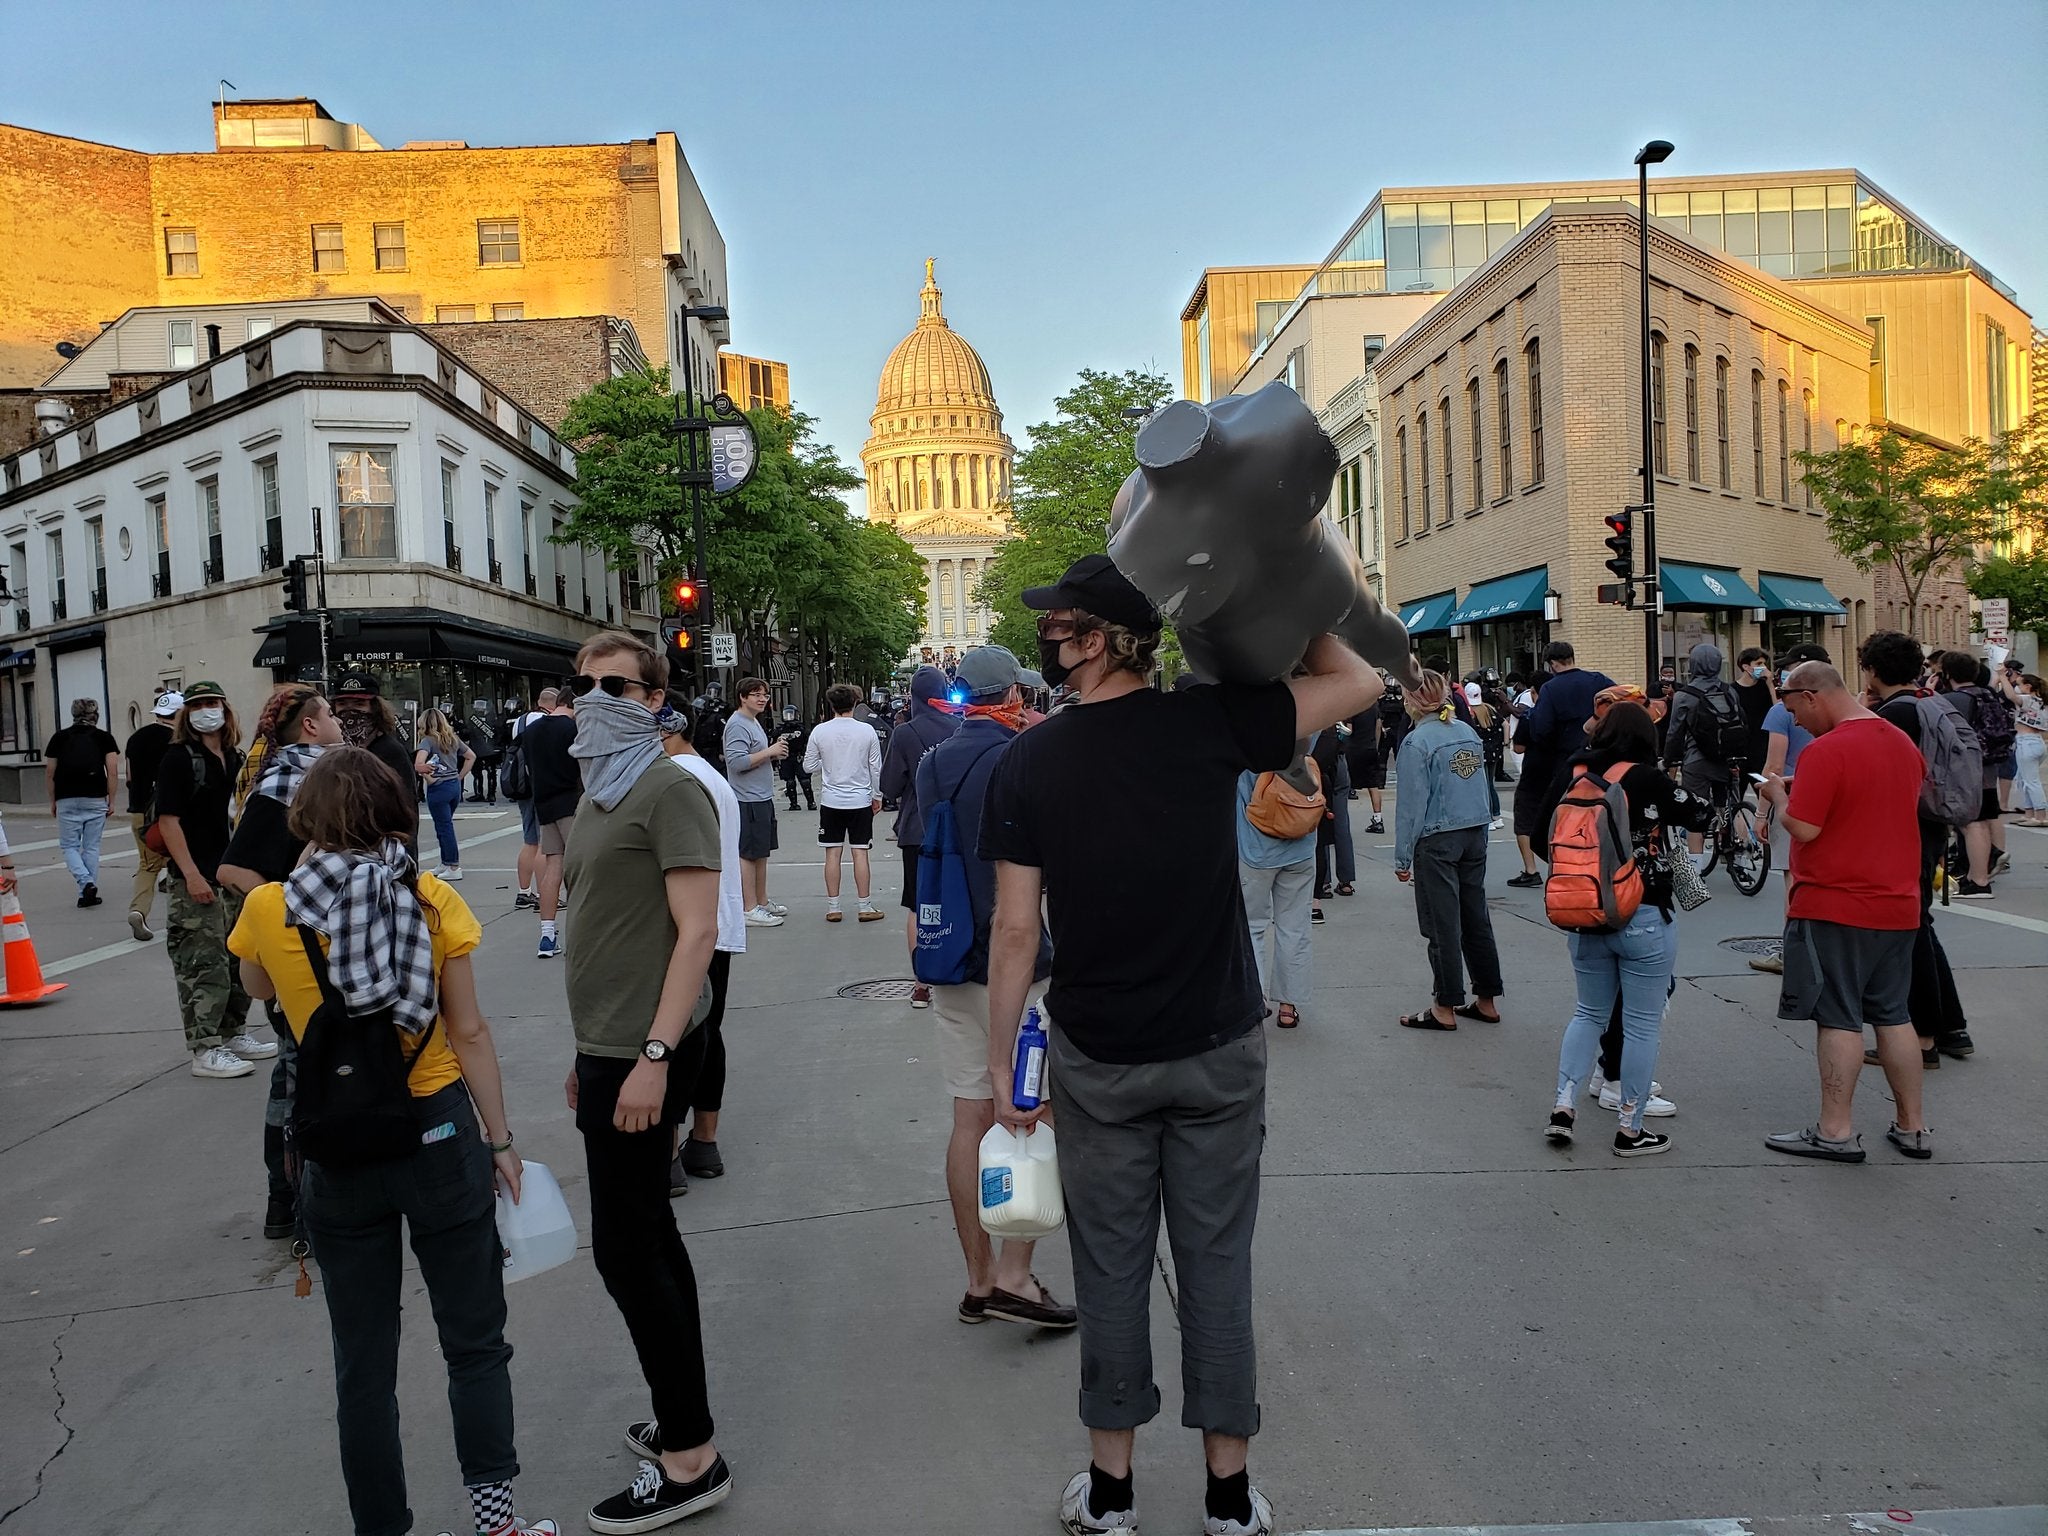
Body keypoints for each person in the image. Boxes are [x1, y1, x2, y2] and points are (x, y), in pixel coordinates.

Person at [980, 552, 1382, 1536]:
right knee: (1215, 1263)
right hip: (1212, 1042)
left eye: (1057, 624)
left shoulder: (1028, 761)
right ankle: (1227, 1498)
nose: (1047, 639)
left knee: (1109, 1266)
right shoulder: (1208, 723)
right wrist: (1274, 589)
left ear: (1088, 639)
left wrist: (1002, 1067)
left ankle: (1111, 1495)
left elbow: (1015, 934)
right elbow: (1358, 679)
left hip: (1098, 1052)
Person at [226, 747, 555, 1536]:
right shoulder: (432, 898)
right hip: (436, 1130)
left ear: (307, 819)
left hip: (336, 1147)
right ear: (395, 812)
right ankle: (497, 1523)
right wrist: (501, 1141)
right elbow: (468, 1030)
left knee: (362, 1365)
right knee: (474, 1342)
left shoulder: (274, 908)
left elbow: (256, 989)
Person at [558, 631, 733, 1531]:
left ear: (656, 697)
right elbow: (601, 925)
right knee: (644, 1238)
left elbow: (695, 934)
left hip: (647, 1049)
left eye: (617, 683)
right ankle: (681, 1422)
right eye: (584, 681)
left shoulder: (671, 790)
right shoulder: (603, 788)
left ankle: (691, 1456)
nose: (595, 694)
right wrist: (589, 1054)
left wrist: (652, 1061)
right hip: (610, 1046)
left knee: (631, 1247)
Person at [912, 645, 1072, 1328]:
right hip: (1022, 959)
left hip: (951, 959)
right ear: (1012, 695)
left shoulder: (932, 761)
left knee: (969, 1116)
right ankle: (1016, 1271)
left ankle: (978, 1280)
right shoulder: (1029, 756)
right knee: (1039, 1112)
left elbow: (926, 849)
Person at [1759, 661, 1932, 1163]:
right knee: (1893, 1015)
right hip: (1898, 901)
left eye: (1794, 711)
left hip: (1836, 901)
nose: (1797, 723)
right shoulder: (1899, 741)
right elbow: (1877, 801)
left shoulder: (1826, 750)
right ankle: (1912, 1126)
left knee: (1838, 1017)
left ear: (1812, 696)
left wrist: (1775, 794)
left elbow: (1806, 828)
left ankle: (1835, 1130)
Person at [1540, 695, 1713, 1156]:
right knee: (1640, 1025)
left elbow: (1541, 834)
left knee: (1587, 1013)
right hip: (1642, 913)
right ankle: (1630, 1128)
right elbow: (1700, 813)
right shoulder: (1646, 778)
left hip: (1584, 915)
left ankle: (1562, 1107)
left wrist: (1586, 872)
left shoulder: (1573, 775)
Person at [218, 683, 348, 1241]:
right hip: (308, 962)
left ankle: (306, 1200)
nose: (341, 721)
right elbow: (235, 868)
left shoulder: (319, 774)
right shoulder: (287, 781)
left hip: (338, 954)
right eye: (332, 714)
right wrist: (287, 919)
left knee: (312, 1079)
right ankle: (293, 1203)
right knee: (300, 1085)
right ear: (312, 726)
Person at [1856, 632, 1973, 1065]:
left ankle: (1923, 1035)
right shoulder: (1926, 703)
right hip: (1929, 826)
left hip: (1905, 831)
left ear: (1872, 670)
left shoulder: (1894, 716)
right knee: (1921, 924)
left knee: (1911, 931)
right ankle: (1951, 1027)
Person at [155, 682, 275, 1079]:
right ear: (187, 714)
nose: (207, 711)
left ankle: (232, 1032)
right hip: (197, 877)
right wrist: (190, 875)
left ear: (225, 709)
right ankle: (204, 1047)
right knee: (202, 964)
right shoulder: (177, 758)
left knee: (237, 957)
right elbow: (168, 822)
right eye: (198, 705)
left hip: (229, 875)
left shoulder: (233, 756)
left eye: (213, 703)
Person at [658, 705, 744, 1195]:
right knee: (707, 1032)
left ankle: (667, 1149)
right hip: (717, 923)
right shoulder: (711, 777)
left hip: (682, 927)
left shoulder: (669, 779)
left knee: (672, 1034)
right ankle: (704, 1141)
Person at [1392, 672, 1503, 1032]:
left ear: (1412, 700)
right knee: (1475, 916)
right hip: (1473, 829)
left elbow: (1411, 804)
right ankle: (1486, 997)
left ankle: (1445, 1003)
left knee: (1441, 922)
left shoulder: (1417, 742)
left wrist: (1402, 855)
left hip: (1438, 835)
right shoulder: (1466, 732)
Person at [881, 665, 962, 1006]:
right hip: (958, 829)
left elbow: (889, 786)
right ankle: (961, 967)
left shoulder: (905, 732)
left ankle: (921, 983)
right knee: (959, 899)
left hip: (917, 829)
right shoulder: (961, 727)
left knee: (918, 904)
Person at [1746, 651, 1823, 973]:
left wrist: (1762, 812)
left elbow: (1774, 766)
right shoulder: (1839, 710)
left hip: (1791, 797)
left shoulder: (1780, 713)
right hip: (1824, 798)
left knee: (1794, 879)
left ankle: (1794, 951)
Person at [1238, 745, 1319, 1029]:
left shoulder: (1240, 732)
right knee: (1295, 926)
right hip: (1301, 837)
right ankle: (1288, 1005)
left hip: (1254, 846)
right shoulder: (1304, 727)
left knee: (1252, 927)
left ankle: (1256, 1000)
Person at [1516, 642, 1615, 864]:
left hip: (1568, 760)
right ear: (1572, 657)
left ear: (1551, 664)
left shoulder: (1551, 688)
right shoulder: (1598, 680)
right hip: (1603, 757)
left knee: (1569, 812)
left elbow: (1542, 729)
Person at [803, 684, 885, 922]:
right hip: (860, 800)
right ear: (855, 703)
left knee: (832, 853)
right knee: (860, 853)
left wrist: (828, 764)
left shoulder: (820, 731)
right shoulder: (867, 731)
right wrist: (877, 795)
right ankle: (864, 905)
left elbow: (809, 766)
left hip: (831, 800)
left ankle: (833, 907)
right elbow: (875, 768)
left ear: (831, 705)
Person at [1661, 642, 1741, 857]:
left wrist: (1668, 760)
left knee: (1695, 810)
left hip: (1697, 759)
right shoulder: (1729, 691)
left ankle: (1696, 864)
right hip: (1726, 757)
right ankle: (1728, 838)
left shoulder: (1684, 695)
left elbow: (1674, 732)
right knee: (1723, 802)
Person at [720, 677, 787, 928]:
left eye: (765, 695)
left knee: (760, 853)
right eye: (756, 694)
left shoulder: (752, 722)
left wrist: (771, 752)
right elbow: (737, 763)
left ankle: (761, 901)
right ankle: (749, 908)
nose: (762, 699)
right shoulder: (738, 725)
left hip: (760, 796)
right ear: (742, 697)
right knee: (748, 854)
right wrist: (770, 752)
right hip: (746, 798)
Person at [1939, 649, 2007, 897]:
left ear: (1947, 673)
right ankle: (1988, 864)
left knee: (1972, 823)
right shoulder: (1987, 695)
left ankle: (1978, 880)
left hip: (1968, 769)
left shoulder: (1956, 700)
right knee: (1985, 818)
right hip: (1989, 767)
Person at [45, 696, 120, 909]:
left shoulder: (59, 738)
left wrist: (53, 800)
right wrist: (111, 800)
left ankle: (85, 883)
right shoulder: (104, 738)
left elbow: (50, 772)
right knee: (91, 847)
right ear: (95, 715)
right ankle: (87, 888)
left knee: (69, 846)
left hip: (66, 798)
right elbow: (112, 771)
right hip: (95, 797)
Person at [522, 687, 580, 958]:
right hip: (572, 803)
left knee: (553, 867)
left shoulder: (531, 731)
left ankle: (547, 934)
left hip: (544, 804)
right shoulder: (572, 729)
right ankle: (580, 935)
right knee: (580, 870)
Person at [124, 690, 183, 940]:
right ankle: (180, 921)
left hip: (138, 811)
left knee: (148, 865)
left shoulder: (135, 739)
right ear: (178, 714)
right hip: (169, 813)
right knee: (180, 863)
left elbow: (128, 777)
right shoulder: (177, 741)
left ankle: (138, 910)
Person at [415, 709, 477, 881]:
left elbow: (419, 764)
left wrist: (428, 776)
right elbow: (471, 756)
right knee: (445, 825)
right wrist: (460, 776)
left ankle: (453, 865)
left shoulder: (427, 741)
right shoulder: (452, 739)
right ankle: (445, 861)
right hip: (453, 785)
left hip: (439, 787)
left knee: (444, 827)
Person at [508, 689, 556, 909]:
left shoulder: (520, 721)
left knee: (529, 840)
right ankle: (543, 894)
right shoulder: (546, 722)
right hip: (539, 784)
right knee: (543, 844)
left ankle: (524, 891)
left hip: (521, 786)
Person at [332, 673, 417, 792]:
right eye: (342, 704)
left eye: (359, 704)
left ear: (375, 708)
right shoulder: (330, 750)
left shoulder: (390, 750)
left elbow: (406, 800)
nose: (349, 710)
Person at [1733, 646, 1777, 778]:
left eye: (1764, 663)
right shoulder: (1732, 690)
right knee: (1737, 793)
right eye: (1758, 663)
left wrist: (1770, 683)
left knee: (1764, 790)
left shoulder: (1766, 687)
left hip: (1762, 747)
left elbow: (1779, 709)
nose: (1763, 667)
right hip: (1742, 749)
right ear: (1746, 667)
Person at [2012, 672, 2047, 826]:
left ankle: (2041, 815)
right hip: (2035, 741)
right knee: (2022, 779)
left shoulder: (2028, 700)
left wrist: (2000, 676)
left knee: (2031, 781)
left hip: (2027, 742)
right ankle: (2029, 813)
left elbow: (2011, 696)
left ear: (2028, 686)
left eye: (2019, 684)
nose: (2016, 688)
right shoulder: (2041, 702)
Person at [463, 700, 505, 804]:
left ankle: (484, 794)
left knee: (484, 772)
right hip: (485, 750)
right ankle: (487, 795)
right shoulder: (489, 719)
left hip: (481, 750)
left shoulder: (474, 719)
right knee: (485, 772)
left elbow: (467, 732)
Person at [775, 704, 814, 810]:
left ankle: (811, 802)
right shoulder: (781, 730)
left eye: (790, 714)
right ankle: (794, 804)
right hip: (786, 757)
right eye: (786, 714)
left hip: (799, 756)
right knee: (790, 781)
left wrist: (806, 754)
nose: (789, 716)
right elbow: (773, 742)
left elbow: (808, 742)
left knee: (805, 780)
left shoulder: (801, 729)